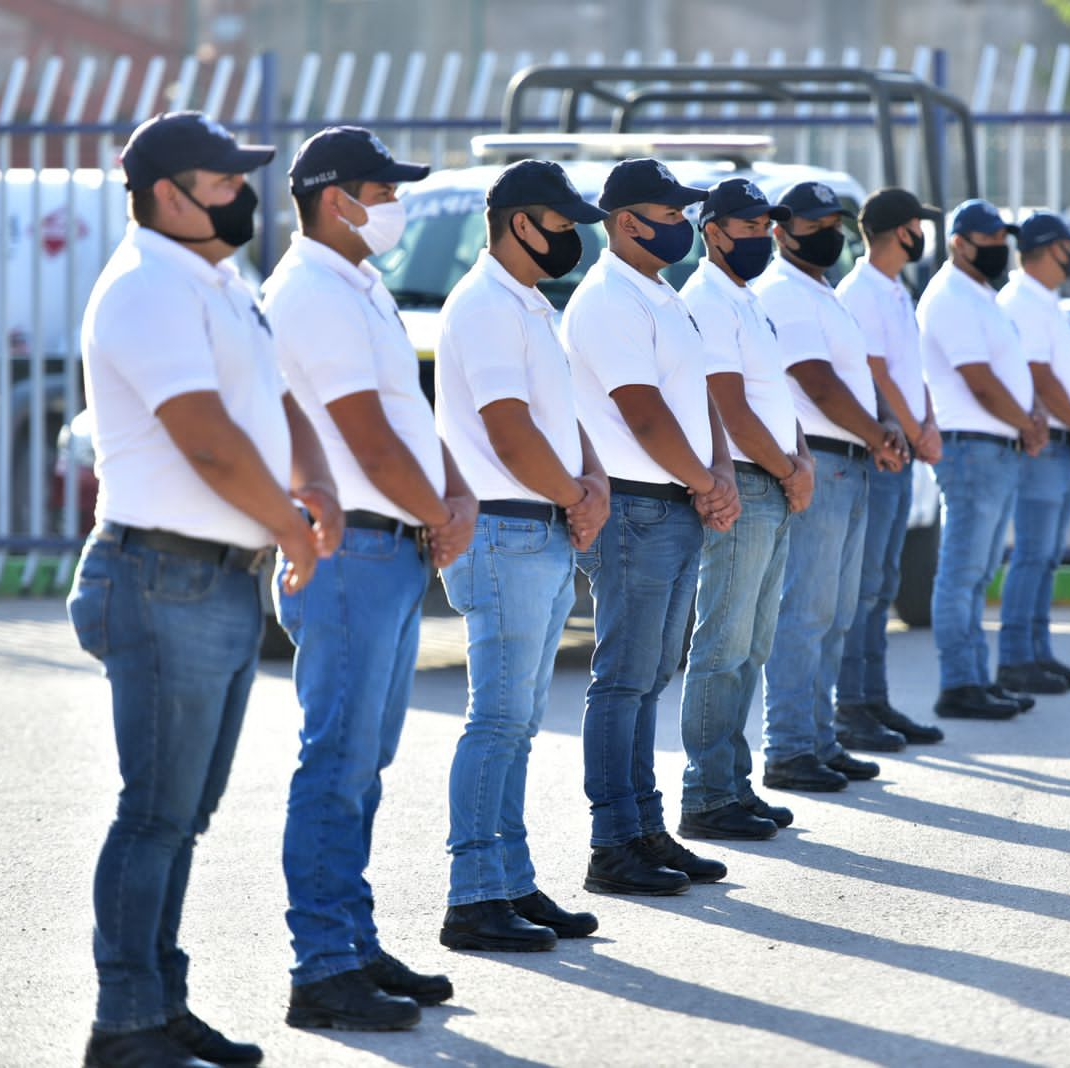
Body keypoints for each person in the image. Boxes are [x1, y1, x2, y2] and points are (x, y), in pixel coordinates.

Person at [69, 111, 342, 1068]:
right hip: (159, 575)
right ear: (165, 196)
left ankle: (158, 1002)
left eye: (238, 180)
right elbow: (207, 438)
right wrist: (286, 522)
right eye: (221, 182)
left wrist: (311, 486)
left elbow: (273, 405)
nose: (241, 195)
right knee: (155, 812)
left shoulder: (215, 284)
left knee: (183, 814)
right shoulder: (146, 288)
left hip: (213, 580)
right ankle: (126, 1020)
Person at [262, 126, 475, 1032]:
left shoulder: (361, 288)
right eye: (381, 191)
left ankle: (351, 938)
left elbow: (409, 417)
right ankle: (321, 967)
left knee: (364, 765)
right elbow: (361, 433)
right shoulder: (311, 291)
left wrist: (451, 493)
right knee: (336, 765)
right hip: (351, 552)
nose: (393, 206)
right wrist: (438, 509)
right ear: (333, 196)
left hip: (388, 548)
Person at [434, 159, 611, 950]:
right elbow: (508, 429)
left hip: (535, 524)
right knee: (498, 721)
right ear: (519, 222)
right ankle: (473, 896)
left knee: (520, 722)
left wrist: (591, 482)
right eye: (561, 221)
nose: (571, 235)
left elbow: (557, 417)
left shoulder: (528, 304)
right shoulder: (484, 306)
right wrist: (578, 496)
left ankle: (509, 880)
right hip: (506, 526)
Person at [561, 157, 738, 895]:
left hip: (675, 502)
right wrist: (707, 483)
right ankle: (613, 843)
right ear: (626, 222)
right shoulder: (607, 300)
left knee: (649, 676)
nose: (683, 227)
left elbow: (698, 401)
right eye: (670, 215)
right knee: (625, 679)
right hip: (637, 506)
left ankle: (644, 827)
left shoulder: (659, 294)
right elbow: (642, 413)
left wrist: (720, 472)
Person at [754, 180, 907, 792]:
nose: (829, 232)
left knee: (837, 611)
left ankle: (819, 738)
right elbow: (816, 383)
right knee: (807, 611)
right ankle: (789, 747)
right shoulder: (785, 292)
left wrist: (883, 426)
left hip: (850, 459)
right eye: (814, 223)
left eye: (834, 222)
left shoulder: (818, 290)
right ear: (781, 231)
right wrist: (877, 432)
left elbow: (851, 373)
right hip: (824, 459)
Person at [676, 178, 812, 842]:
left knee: (752, 646)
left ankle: (733, 784)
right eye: (748, 227)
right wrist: (791, 469)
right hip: (749, 485)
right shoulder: (706, 299)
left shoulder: (746, 299)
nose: (760, 237)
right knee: (723, 644)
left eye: (766, 226)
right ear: (714, 232)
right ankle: (705, 795)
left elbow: (772, 395)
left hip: (774, 483)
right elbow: (729, 409)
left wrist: (801, 458)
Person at [917, 197, 1046, 722]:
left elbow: (1006, 371)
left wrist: (1029, 418)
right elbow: (979, 381)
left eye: (1002, 240)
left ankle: (976, 679)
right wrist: (1025, 421)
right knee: (963, 570)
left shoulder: (979, 295)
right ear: (958, 243)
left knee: (978, 571)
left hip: (995, 447)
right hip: (972, 447)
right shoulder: (950, 296)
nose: (999, 248)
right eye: (989, 240)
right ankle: (959, 683)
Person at [832, 187, 947, 752]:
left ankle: (873, 699)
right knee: (864, 585)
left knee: (882, 583)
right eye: (916, 225)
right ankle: (851, 705)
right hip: (881, 450)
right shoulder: (860, 291)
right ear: (899, 231)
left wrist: (926, 422)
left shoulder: (896, 289)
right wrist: (909, 427)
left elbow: (910, 369)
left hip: (901, 447)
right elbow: (874, 370)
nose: (921, 234)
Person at [997, 211, 1070, 694]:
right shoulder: (1022, 301)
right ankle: (1017, 657)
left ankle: (1037, 652)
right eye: (1067, 246)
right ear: (1049, 248)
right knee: (1033, 555)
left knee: (1046, 556)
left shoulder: (1045, 300)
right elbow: (1037, 374)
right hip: (1045, 450)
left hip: (1063, 446)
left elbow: (1064, 370)